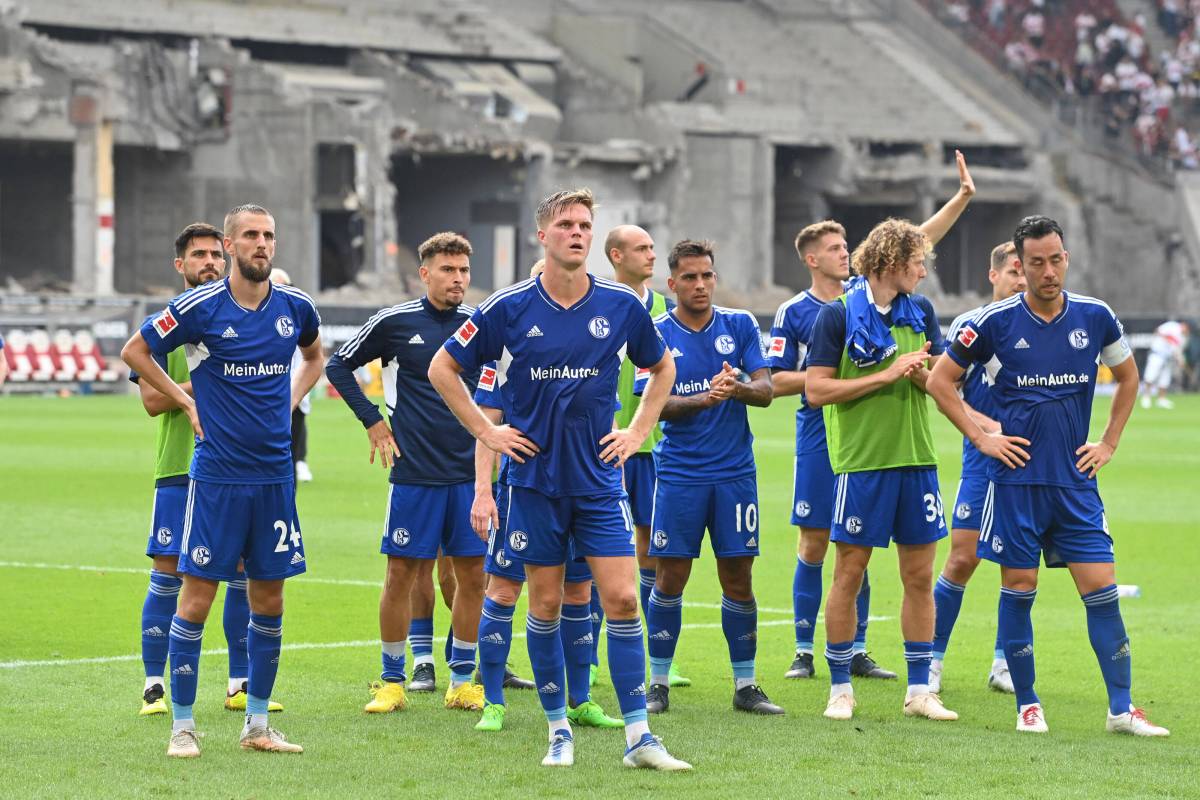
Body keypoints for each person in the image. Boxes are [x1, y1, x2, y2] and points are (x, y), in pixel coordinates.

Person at [429, 188, 690, 770]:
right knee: (544, 604)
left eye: (585, 225)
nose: (577, 233)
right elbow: (442, 367)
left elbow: (663, 365)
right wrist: (487, 431)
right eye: (566, 224)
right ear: (542, 235)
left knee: (623, 599)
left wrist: (638, 430)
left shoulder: (620, 305)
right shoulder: (507, 306)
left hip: (599, 483)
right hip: (534, 487)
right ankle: (556, 729)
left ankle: (640, 738)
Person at [927, 215, 1169, 737]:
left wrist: (1108, 442)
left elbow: (1128, 378)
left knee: (1101, 588)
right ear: (1021, 264)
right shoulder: (991, 323)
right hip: (1015, 484)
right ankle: (1028, 705)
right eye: (1036, 263)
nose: (1048, 271)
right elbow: (940, 382)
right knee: (1019, 586)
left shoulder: (1095, 316)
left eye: (1056, 260)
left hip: (1076, 483)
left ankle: (1122, 709)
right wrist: (981, 437)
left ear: (1066, 258)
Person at [122, 203, 324, 757]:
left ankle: (256, 724)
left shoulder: (297, 307)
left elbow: (314, 357)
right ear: (232, 245)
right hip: (216, 477)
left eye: (269, 235)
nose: (262, 244)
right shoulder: (200, 307)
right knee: (196, 598)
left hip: (275, 477)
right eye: (251, 235)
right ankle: (183, 726)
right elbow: (135, 350)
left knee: (270, 598)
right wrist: (185, 398)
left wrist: (290, 399)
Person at [770, 151, 977, 682]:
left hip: (900, 446)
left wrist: (960, 199)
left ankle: (863, 653)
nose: (844, 253)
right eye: (834, 248)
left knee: (894, 562)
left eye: (847, 246)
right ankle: (806, 651)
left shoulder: (907, 305)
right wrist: (885, 373)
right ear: (812, 259)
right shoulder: (816, 312)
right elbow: (791, 383)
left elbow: (915, 242)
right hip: (830, 437)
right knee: (824, 545)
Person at [325, 232, 488, 714]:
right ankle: (393, 681)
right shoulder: (393, 322)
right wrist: (372, 420)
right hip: (413, 473)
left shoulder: (480, 324)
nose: (458, 278)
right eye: (448, 270)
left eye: (463, 270)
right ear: (425, 273)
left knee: (472, 576)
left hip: (469, 474)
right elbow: (337, 366)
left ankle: (462, 681)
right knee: (400, 574)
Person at [805, 218, 956, 723]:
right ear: (892, 262)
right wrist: (887, 374)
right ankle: (840, 689)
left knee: (920, 575)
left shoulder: (922, 311)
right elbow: (816, 390)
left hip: (917, 459)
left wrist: (929, 377)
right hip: (863, 463)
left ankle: (920, 691)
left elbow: (935, 381)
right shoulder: (837, 315)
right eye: (917, 263)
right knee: (849, 573)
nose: (923, 272)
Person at [132, 223, 286, 718]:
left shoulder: (239, 313)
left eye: (215, 255)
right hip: (180, 466)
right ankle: (154, 685)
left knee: (243, 573)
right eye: (198, 256)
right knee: (168, 572)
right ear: (180, 265)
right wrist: (213, 384)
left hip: (236, 469)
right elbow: (152, 400)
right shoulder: (169, 323)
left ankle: (239, 681)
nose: (210, 263)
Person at [471, 277, 622, 731]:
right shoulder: (508, 352)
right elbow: (488, 424)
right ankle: (493, 701)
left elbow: (607, 422)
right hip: (524, 491)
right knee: (503, 591)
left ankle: (579, 700)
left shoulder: (591, 354)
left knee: (578, 594)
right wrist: (483, 491)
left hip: (582, 491)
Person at [641, 239, 780, 716]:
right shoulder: (656, 332)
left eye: (707, 276)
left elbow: (766, 389)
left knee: (738, 575)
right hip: (679, 474)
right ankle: (658, 683)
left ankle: (746, 685)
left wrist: (735, 387)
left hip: (735, 475)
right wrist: (705, 398)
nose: (700, 285)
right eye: (690, 277)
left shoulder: (740, 324)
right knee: (670, 575)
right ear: (672, 283)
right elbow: (653, 404)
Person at [929, 242, 1025, 695]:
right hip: (982, 460)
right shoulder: (971, 325)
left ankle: (1004, 663)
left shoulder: (1045, 324)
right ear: (993, 275)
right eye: (1013, 271)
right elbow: (947, 390)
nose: (1021, 280)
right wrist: (986, 429)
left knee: (1017, 566)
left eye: (1026, 271)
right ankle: (930, 659)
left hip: (1027, 463)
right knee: (962, 558)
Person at [603, 225, 690, 689]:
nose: (652, 255)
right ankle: (590, 656)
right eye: (642, 248)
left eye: (653, 247)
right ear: (616, 256)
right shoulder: (596, 303)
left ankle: (659, 654)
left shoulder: (664, 310)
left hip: (655, 447)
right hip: (604, 446)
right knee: (599, 549)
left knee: (654, 546)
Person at [269, 269, 314, 482]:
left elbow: (312, 357)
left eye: (284, 286)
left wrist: (294, 396)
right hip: (263, 398)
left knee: (289, 460)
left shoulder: (300, 314)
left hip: (293, 397)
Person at [1139, 319, 1189, 409]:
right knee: (1150, 377)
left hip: (1168, 358)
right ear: (1184, 324)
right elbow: (1158, 330)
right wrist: (1169, 339)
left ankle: (1161, 399)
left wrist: (1180, 360)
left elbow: (1177, 351)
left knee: (1164, 380)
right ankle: (1146, 397)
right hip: (1157, 354)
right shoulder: (1173, 325)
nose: (1186, 330)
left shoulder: (1183, 338)